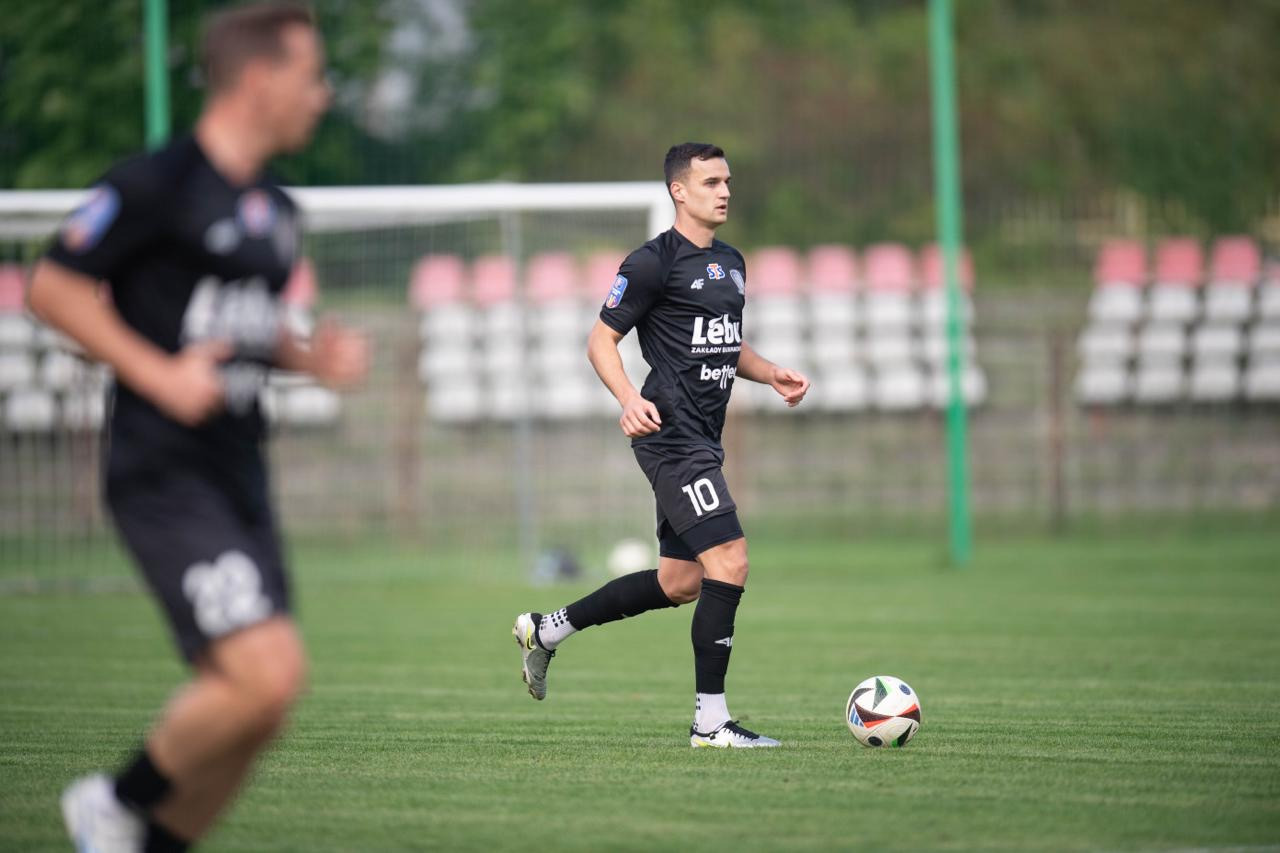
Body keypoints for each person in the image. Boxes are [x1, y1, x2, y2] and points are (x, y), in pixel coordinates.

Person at [27, 4, 368, 849]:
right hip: (164, 471)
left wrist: (307, 358)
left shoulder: (277, 209)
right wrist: (158, 374)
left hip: (238, 472)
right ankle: (113, 800)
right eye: (311, 75)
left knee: (260, 708)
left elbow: (237, 326)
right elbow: (53, 288)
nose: (323, 95)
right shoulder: (156, 183)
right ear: (258, 79)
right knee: (268, 675)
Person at [512, 143, 810, 748]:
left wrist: (769, 371)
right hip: (670, 435)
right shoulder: (652, 262)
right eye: (711, 182)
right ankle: (711, 724)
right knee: (730, 561)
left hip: (703, 438)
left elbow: (724, 342)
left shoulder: (731, 262)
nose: (724, 192)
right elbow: (600, 341)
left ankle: (548, 630)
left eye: (727, 181)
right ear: (679, 190)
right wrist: (628, 398)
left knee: (681, 582)